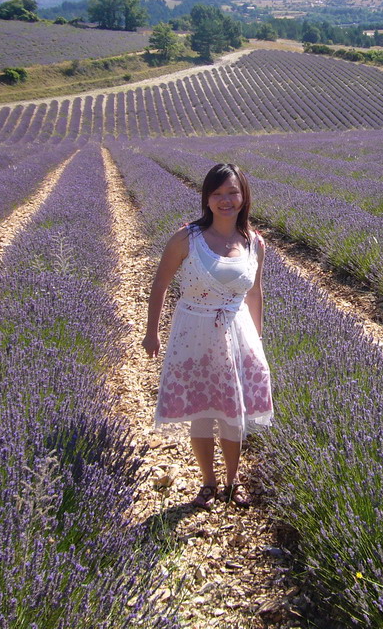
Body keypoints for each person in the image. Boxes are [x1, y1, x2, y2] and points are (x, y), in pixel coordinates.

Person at [142, 163, 272, 510]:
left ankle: (231, 482)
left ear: (244, 197)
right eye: (217, 193)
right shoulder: (187, 238)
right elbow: (160, 284)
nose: (225, 200)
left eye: (232, 192)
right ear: (207, 198)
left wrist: (255, 342)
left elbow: (254, 294)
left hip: (237, 333)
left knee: (233, 412)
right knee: (201, 410)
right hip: (194, 331)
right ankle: (208, 483)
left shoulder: (254, 243)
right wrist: (151, 332)